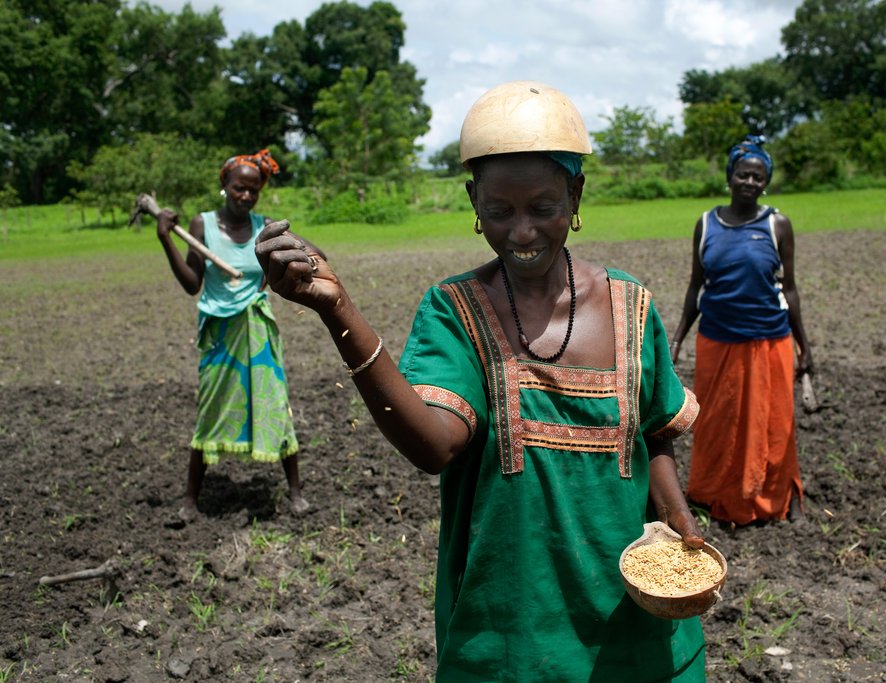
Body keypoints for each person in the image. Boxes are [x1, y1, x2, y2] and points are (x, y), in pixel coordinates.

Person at [255, 81, 708, 681]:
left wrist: (676, 516)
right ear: (474, 202)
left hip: (636, 628)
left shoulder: (631, 306)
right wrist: (339, 311)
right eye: (499, 211)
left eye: (542, 208)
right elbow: (435, 446)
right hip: (511, 633)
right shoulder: (455, 311)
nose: (521, 232)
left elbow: (653, 433)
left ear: (575, 195)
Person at [156, 149, 313, 521]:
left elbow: (311, 252)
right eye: (239, 187)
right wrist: (166, 239)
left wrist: (280, 271)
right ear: (224, 186)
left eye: (253, 190)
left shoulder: (266, 226)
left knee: (274, 403)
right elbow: (192, 284)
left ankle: (295, 493)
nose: (246, 195)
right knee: (211, 408)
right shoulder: (201, 226)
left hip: (258, 330)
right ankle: (190, 501)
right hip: (219, 334)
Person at [670, 135, 812, 526]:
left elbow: (791, 288)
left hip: (770, 340)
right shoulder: (706, 224)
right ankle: (710, 496)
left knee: (775, 424)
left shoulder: (777, 225)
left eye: (758, 176)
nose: (749, 182)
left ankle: (780, 496)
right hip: (717, 339)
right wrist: (679, 337)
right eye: (743, 174)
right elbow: (696, 285)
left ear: (765, 182)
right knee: (716, 422)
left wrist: (806, 349)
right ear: (730, 177)